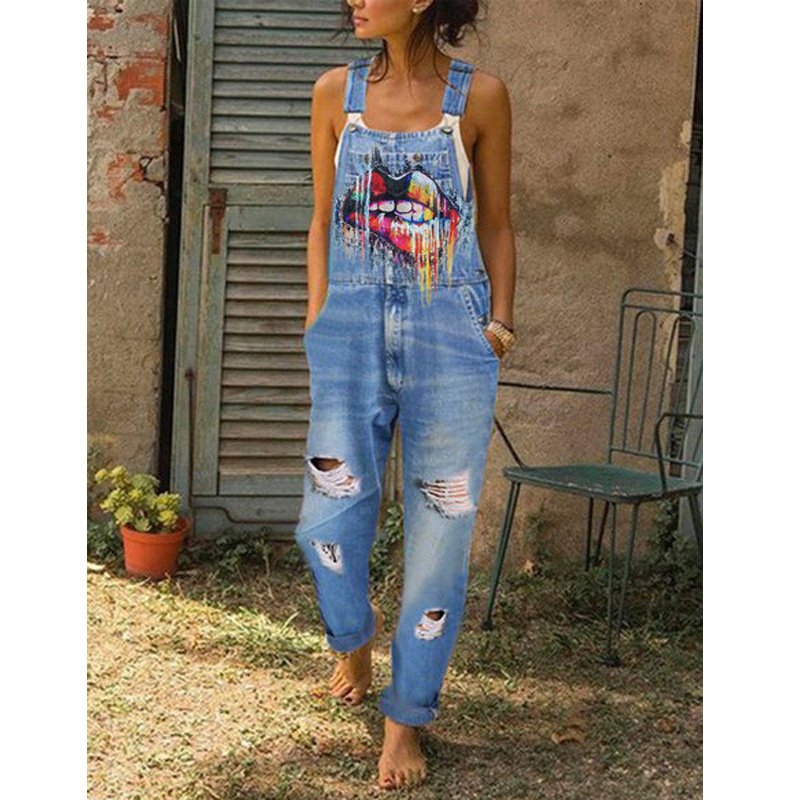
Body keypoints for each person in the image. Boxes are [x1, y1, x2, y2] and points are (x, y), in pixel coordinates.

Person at [294, 0, 516, 790]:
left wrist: (499, 321)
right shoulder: (335, 94)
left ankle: (406, 719)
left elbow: (497, 223)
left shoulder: (479, 97)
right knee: (325, 518)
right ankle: (353, 635)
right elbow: (321, 220)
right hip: (348, 330)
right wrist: (320, 316)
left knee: (439, 533)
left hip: (448, 338)